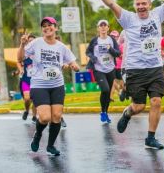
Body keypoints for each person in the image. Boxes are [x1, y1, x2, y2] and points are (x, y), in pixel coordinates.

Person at [93, 0, 164, 150]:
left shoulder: (158, 15)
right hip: (135, 69)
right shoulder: (128, 19)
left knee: (156, 101)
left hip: (155, 67)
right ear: (134, 6)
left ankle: (151, 137)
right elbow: (112, 4)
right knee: (139, 106)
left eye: (144, 3)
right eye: (138, 4)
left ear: (150, 4)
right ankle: (127, 113)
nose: (141, 6)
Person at [17, 17, 79, 156]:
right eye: (44, 26)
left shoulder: (61, 47)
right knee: (45, 118)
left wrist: (74, 66)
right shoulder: (36, 43)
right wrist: (22, 45)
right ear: (42, 29)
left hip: (57, 85)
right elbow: (20, 59)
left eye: (49, 25)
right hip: (39, 85)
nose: (47, 27)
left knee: (56, 116)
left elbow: (73, 61)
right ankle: (38, 134)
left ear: (55, 28)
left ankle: (50, 146)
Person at [86, 20, 120, 123]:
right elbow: (88, 51)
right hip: (98, 69)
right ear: (98, 28)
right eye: (101, 25)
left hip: (110, 69)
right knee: (105, 89)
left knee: (108, 91)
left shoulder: (112, 40)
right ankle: (102, 111)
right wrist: (93, 58)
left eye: (105, 25)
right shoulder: (94, 40)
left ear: (108, 28)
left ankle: (105, 112)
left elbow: (118, 53)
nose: (103, 27)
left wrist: (111, 50)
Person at [17, 34, 37, 123]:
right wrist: (21, 69)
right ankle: (26, 110)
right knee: (27, 99)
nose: (31, 42)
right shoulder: (25, 51)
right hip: (26, 80)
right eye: (30, 41)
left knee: (35, 99)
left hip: (37, 80)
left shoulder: (39, 51)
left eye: (33, 41)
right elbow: (19, 60)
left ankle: (34, 116)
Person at [109, 30, 123, 102]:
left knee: (122, 83)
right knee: (113, 81)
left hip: (120, 66)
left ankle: (121, 92)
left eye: (115, 36)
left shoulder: (120, 45)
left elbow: (122, 55)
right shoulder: (108, 45)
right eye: (112, 36)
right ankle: (111, 96)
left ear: (118, 37)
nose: (114, 38)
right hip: (112, 66)